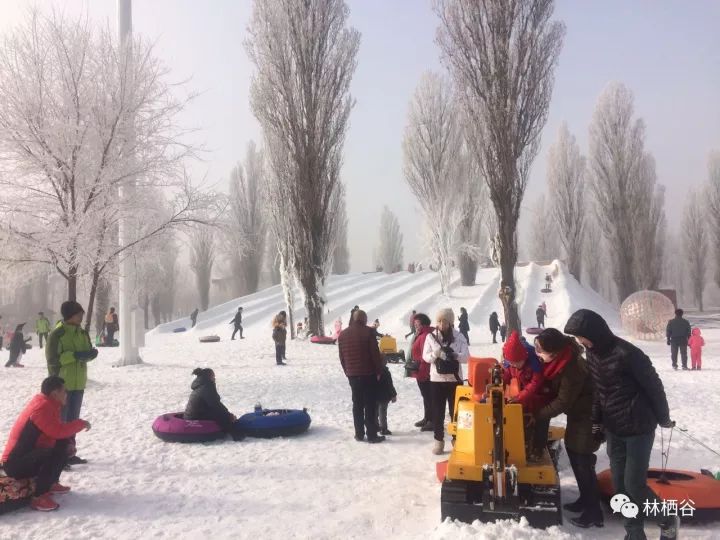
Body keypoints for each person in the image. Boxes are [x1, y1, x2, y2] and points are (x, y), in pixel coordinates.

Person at [565, 309, 678, 540]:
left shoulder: (628, 354)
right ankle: (634, 534)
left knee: (634, 485)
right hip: (614, 429)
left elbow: (654, 386)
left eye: (580, 337)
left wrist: (663, 417)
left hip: (638, 428)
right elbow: (599, 392)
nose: (580, 342)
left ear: (592, 332)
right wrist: (597, 422)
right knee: (620, 487)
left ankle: (667, 520)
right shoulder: (592, 354)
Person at [533, 329, 603, 529]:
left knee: (582, 460)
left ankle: (593, 513)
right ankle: (586, 499)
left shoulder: (572, 368)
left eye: (541, 350)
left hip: (587, 417)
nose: (538, 354)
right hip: (578, 415)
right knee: (577, 456)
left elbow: (563, 401)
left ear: (554, 352)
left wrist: (538, 414)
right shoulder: (562, 360)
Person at [1, 376, 91, 511]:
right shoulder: (42, 407)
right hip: (14, 464)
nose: (67, 394)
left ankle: (50, 483)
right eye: (64, 391)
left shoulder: (49, 403)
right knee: (53, 454)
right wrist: (80, 424)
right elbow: (56, 431)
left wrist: (68, 443)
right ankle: (39, 497)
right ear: (55, 393)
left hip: (26, 456)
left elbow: (55, 432)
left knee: (63, 447)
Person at [46, 301, 97, 465]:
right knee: (61, 422)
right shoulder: (57, 334)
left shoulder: (82, 333)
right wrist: (74, 356)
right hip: (62, 387)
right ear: (69, 315)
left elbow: (87, 350)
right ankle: (57, 457)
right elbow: (52, 360)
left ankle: (69, 454)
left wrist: (90, 354)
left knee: (73, 421)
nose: (81, 316)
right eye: (78, 314)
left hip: (78, 384)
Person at [422, 308, 469, 455]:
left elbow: (466, 357)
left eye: (445, 321)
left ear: (450, 322)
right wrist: (436, 354)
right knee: (438, 411)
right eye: (440, 321)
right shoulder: (430, 337)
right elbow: (425, 357)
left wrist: (454, 355)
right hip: (436, 379)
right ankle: (438, 440)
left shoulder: (459, 336)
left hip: (454, 379)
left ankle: (457, 439)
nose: (442, 324)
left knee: (456, 412)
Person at [338, 310, 385, 443]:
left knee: (357, 404)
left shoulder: (343, 334)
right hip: (368, 374)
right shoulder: (368, 332)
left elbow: (342, 357)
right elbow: (375, 355)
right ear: (364, 319)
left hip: (353, 375)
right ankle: (371, 434)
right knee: (370, 404)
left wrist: (348, 372)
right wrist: (379, 371)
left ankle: (359, 434)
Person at [184, 368, 243, 440]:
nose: (214, 379)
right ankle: (237, 435)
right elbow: (215, 405)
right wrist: (228, 415)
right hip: (195, 417)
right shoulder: (207, 386)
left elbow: (214, 403)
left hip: (192, 414)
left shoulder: (201, 385)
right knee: (222, 416)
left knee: (220, 413)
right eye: (213, 376)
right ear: (209, 376)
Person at [410, 313, 434, 432]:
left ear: (424, 324)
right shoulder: (421, 334)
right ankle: (427, 417)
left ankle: (432, 420)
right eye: (414, 324)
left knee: (429, 396)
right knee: (426, 396)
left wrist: (423, 373)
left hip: (424, 370)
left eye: (417, 324)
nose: (415, 326)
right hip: (420, 369)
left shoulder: (425, 335)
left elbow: (426, 356)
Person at [376, 358, 397, 436]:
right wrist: (393, 394)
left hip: (375, 395)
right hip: (384, 395)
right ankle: (383, 428)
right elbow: (389, 385)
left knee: (375, 411)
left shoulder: (372, 371)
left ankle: (376, 426)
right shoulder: (385, 372)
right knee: (382, 412)